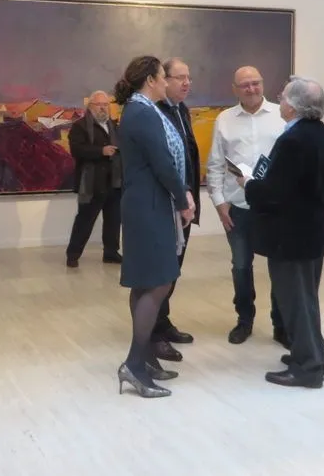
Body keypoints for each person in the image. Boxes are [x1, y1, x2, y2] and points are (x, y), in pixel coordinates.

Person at [239, 76, 324, 389]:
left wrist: (249, 184)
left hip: (291, 238)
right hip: (311, 234)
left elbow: (274, 194)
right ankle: (316, 354)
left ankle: (308, 367)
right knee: (306, 300)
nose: (279, 100)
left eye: (283, 97)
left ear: (292, 106)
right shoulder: (320, 133)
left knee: (295, 302)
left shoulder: (294, 140)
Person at [113, 55, 195, 399]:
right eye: (163, 77)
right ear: (150, 79)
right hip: (149, 206)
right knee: (160, 281)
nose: (166, 83)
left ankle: (145, 358)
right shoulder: (143, 112)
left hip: (145, 204)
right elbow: (162, 162)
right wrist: (183, 199)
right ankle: (134, 364)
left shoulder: (139, 110)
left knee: (146, 282)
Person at [205, 66, 287, 346]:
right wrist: (219, 203)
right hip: (238, 208)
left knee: (279, 268)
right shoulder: (224, 119)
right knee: (241, 266)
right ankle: (244, 320)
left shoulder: (280, 115)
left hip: (273, 208)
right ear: (235, 89)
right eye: (245, 85)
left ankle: (280, 324)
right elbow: (215, 164)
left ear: (263, 84)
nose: (251, 89)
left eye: (256, 83)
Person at [152, 57, 199, 361]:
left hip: (185, 204)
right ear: (163, 80)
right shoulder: (154, 113)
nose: (186, 83)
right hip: (167, 205)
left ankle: (163, 321)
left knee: (174, 269)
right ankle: (153, 333)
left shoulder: (181, 110)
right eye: (180, 77)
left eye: (188, 77)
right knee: (162, 272)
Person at [65, 90, 122, 267]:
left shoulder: (114, 125)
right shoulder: (80, 126)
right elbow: (76, 150)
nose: (103, 108)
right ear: (90, 107)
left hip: (114, 182)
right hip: (91, 184)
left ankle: (111, 253)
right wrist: (101, 151)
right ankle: (73, 255)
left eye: (106, 105)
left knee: (114, 220)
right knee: (85, 220)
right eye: (99, 105)